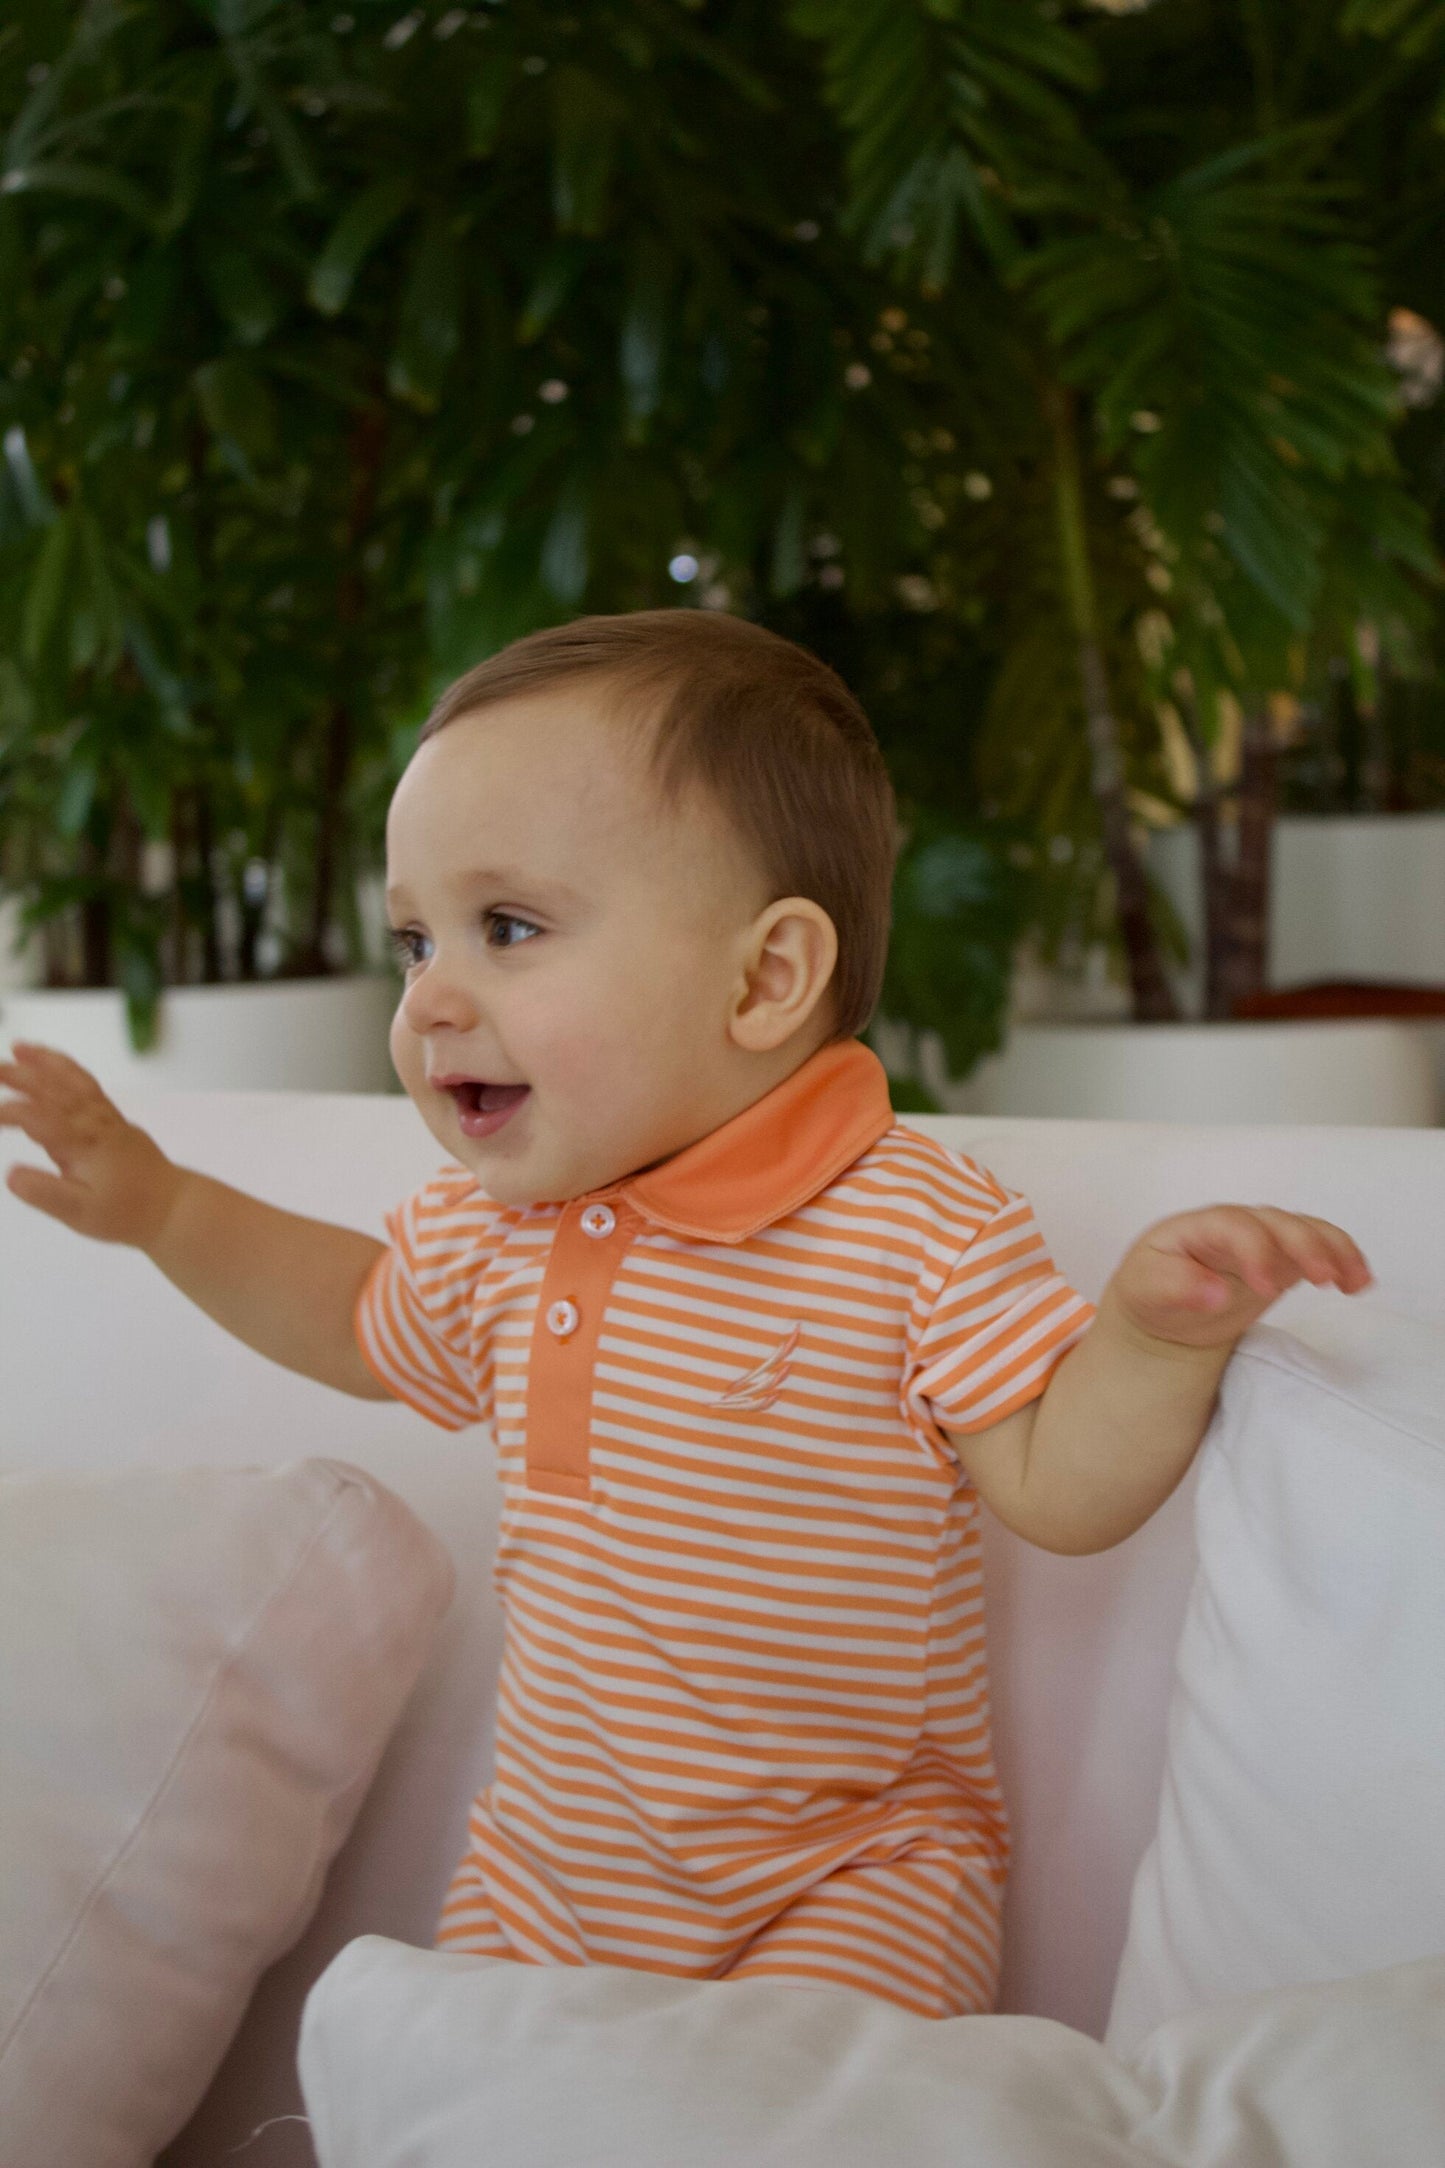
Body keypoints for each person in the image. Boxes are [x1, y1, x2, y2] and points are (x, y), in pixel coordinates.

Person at [0, 610, 1371, 2021]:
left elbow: (1052, 1480)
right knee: (433, 2094)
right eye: (414, 941)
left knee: (794, 2118)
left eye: (508, 927)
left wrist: (1150, 1338)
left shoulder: (906, 1222)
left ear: (765, 979)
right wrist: (167, 1211)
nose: (432, 1000)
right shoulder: (493, 1228)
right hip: (537, 1880)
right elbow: (354, 1318)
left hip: (845, 1882)